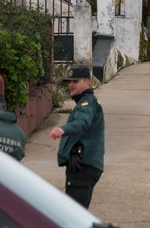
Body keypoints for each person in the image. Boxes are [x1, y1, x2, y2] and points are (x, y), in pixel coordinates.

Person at [50, 66, 104, 208]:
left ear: (87, 82)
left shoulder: (86, 103)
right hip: (85, 166)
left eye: (76, 81)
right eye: (69, 82)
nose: (71, 84)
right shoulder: (86, 102)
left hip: (82, 167)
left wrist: (63, 129)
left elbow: (82, 122)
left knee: (75, 214)